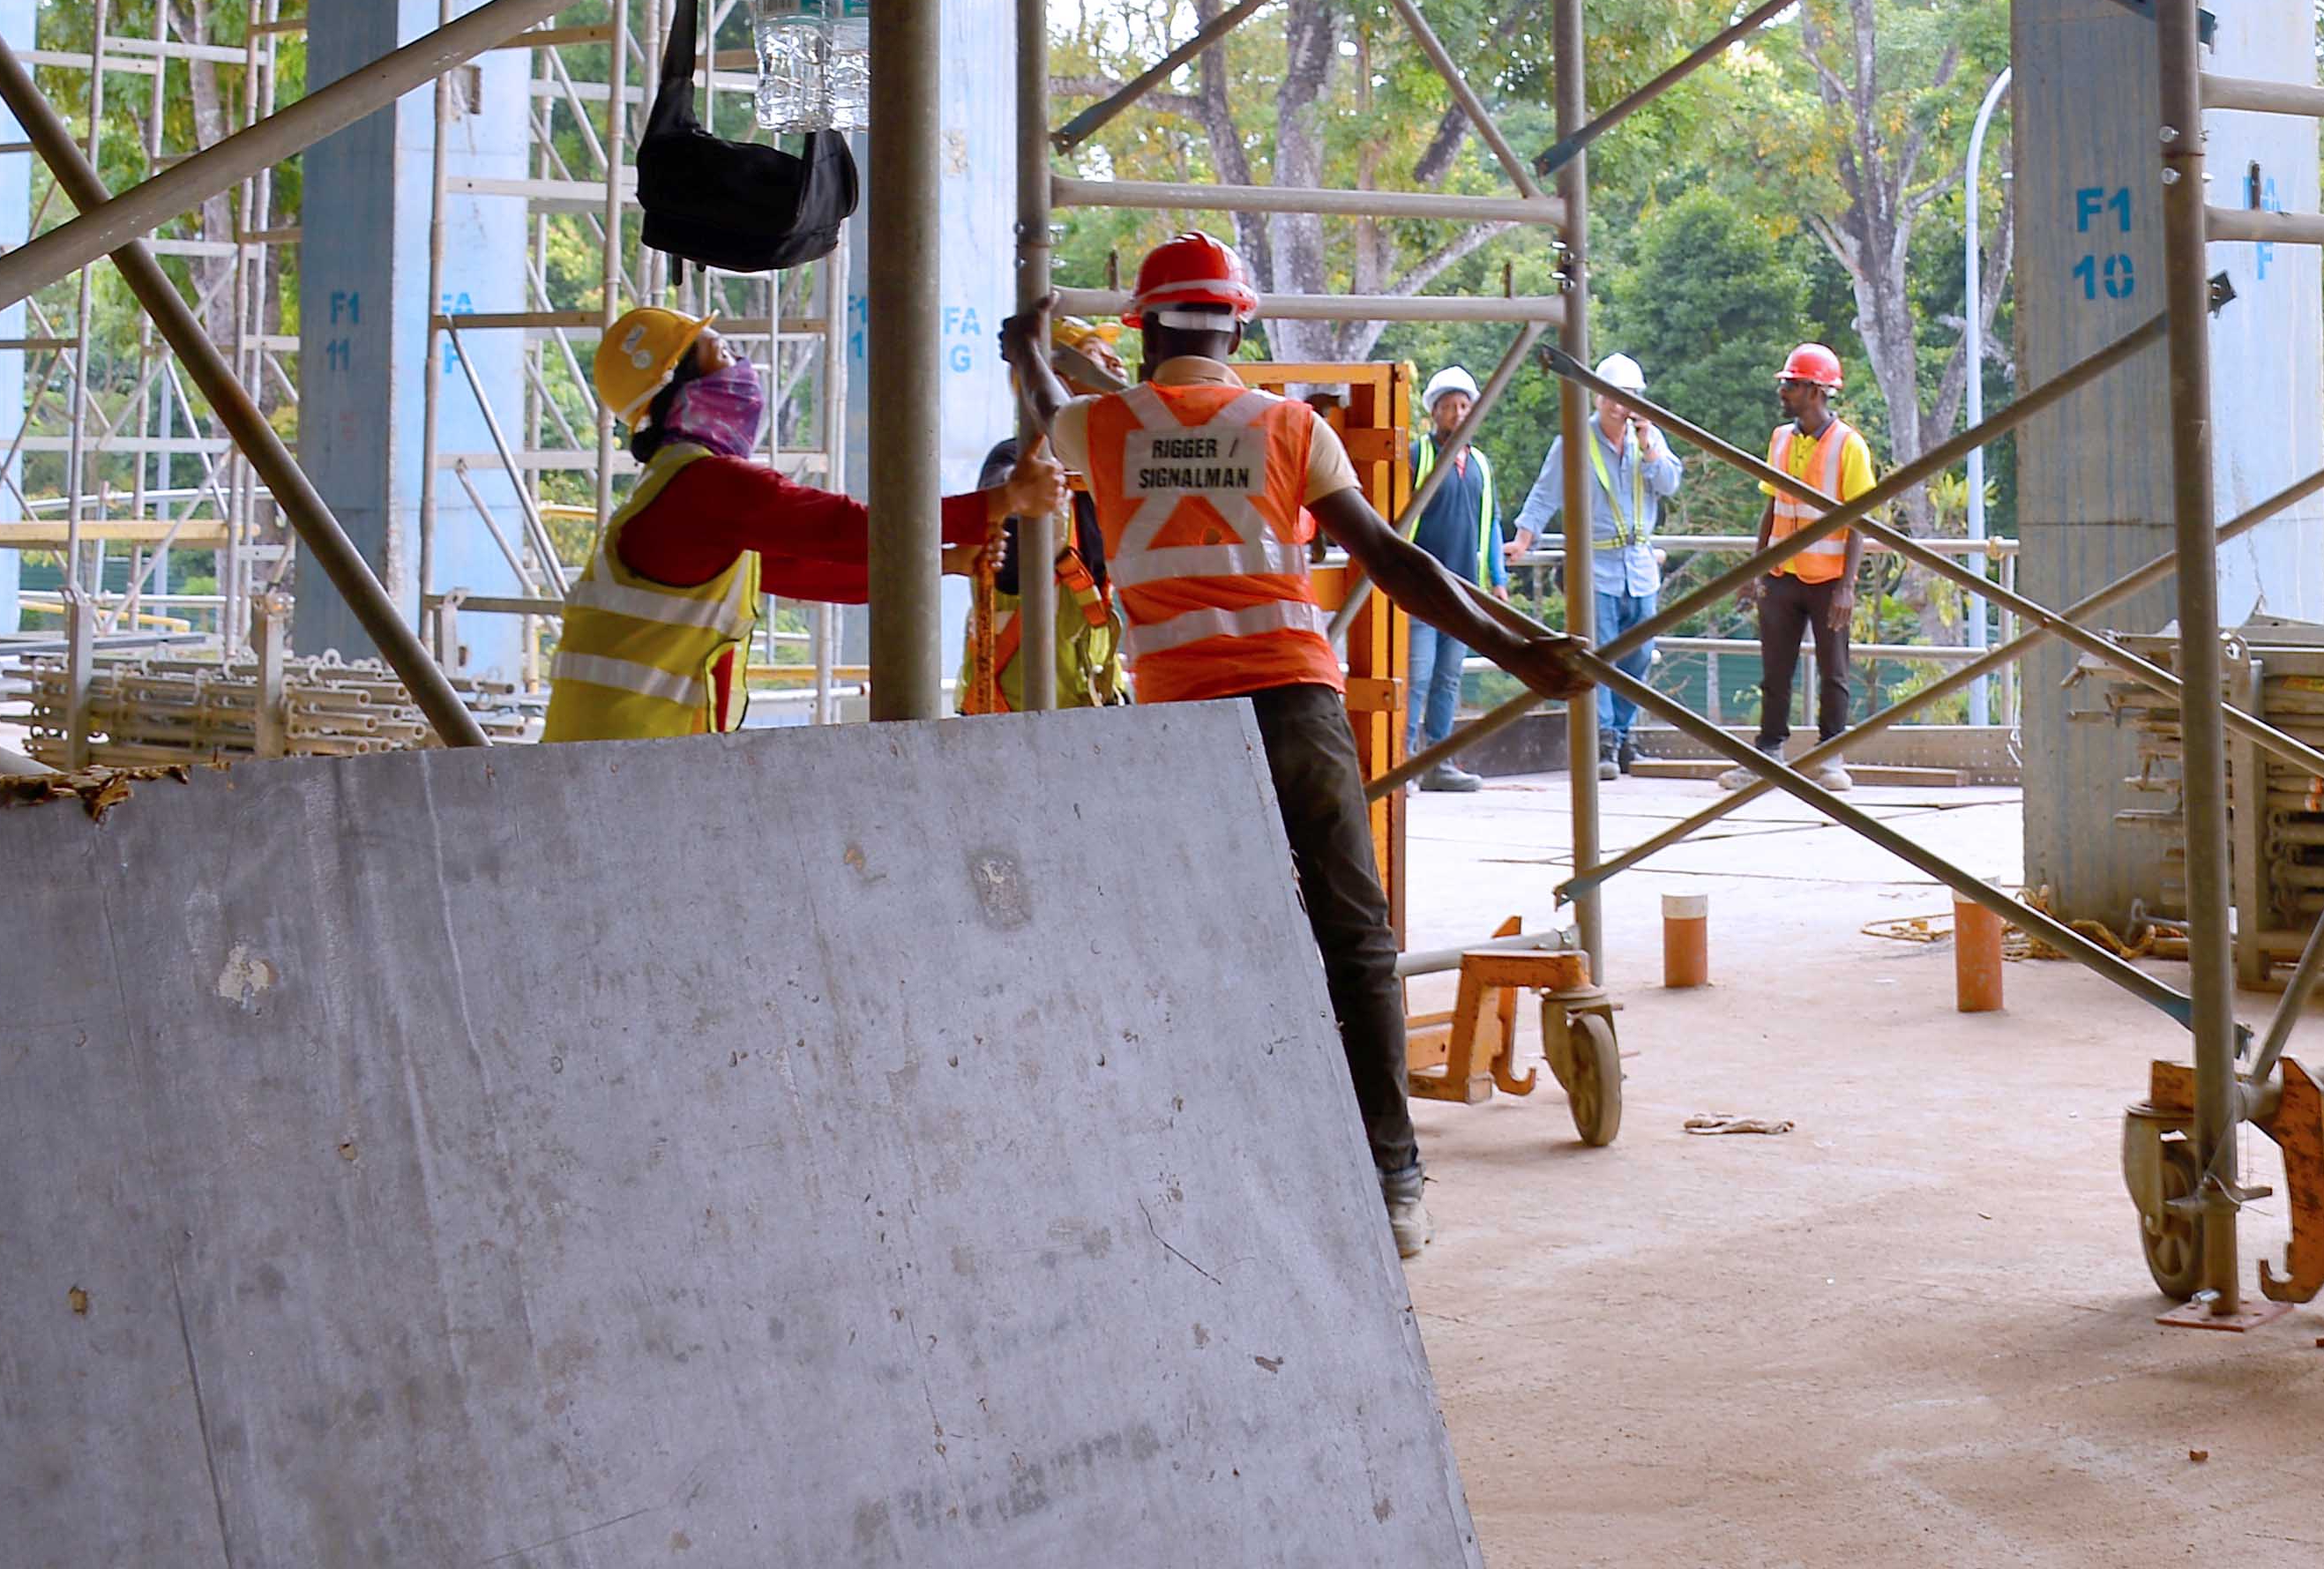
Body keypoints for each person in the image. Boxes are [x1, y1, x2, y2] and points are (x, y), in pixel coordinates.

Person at [1020, 232, 1591, 1262]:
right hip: (1295, 703)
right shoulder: (1287, 424)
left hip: (1177, 722)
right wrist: (1518, 647)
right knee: (1356, 942)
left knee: (1199, 943)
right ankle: (1394, 1178)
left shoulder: (1100, 427)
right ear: (1239, 323)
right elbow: (1396, 561)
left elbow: (1054, 412)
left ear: (1146, 327)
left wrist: (1030, 347)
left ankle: (1222, 1169)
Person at [544, 305, 1039, 741]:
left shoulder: (674, 491)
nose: (741, 368)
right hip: (621, 759)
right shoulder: (704, 486)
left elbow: (815, 570)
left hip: (611, 751)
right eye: (721, 352)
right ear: (678, 384)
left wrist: (946, 560)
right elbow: (847, 529)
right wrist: (1000, 500)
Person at [1510, 353, 1684, 774]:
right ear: (1597, 399)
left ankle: (1625, 736)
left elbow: (1670, 484)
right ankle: (1603, 741)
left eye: (1627, 398)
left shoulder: (1650, 440)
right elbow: (1545, 494)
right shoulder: (1574, 440)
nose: (1619, 406)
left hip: (1639, 567)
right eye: (1611, 398)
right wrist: (1522, 540)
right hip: (1597, 565)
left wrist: (1648, 449)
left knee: (1640, 654)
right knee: (1600, 656)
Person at [1752, 340, 1879, 752]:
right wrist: (1756, 569)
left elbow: (1860, 520)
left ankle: (1830, 754)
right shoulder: (1780, 440)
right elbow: (1772, 505)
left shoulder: (1849, 445)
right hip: (1782, 576)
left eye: (1792, 384)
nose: (1783, 392)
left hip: (1827, 581)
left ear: (1816, 391)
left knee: (1834, 671)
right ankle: (1770, 747)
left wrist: (1847, 585)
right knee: (1775, 669)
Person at [953, 420, 1124, 714]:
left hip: (1094, 701)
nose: (1116, 372)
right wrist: (1020, 488)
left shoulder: (1103, 471)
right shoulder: (1014, 457)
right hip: (1008, 709)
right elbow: (999, 486)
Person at [1398, 367, 1498, 790]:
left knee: (1448, 676)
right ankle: (1401, 763)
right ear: (1434, 413)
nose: (1458, 414)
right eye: (1449, 407)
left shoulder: (1478, 464)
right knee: (1416, 676)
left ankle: (1440, 761)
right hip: (1421, 587)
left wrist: (1498, 578)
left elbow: (1490, 523)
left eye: (1465, 406)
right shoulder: (1418, 456)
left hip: (1463, 589)